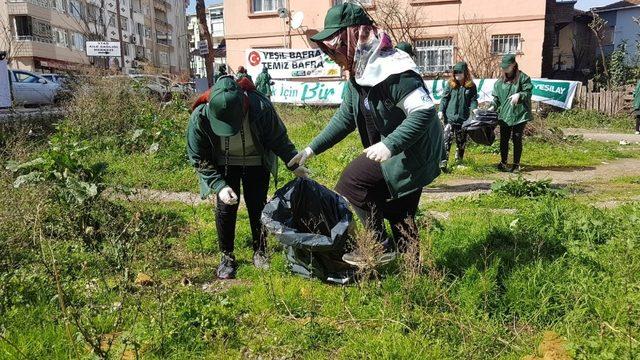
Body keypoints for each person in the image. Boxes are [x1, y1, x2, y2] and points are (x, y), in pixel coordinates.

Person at [287, 3, 443, 266]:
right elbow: (346, 117)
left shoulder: (395, 71)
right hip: (394, 151)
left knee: (352, 183)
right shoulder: (358, 74)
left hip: (413, 151)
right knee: (399, 213)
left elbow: (424, 113)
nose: (329, 54)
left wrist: (389, 145)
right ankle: (411, 276)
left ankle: (378, 245)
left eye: (333, 46)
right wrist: (311, 149)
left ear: (353, 38)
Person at [187, 76, 309, 279]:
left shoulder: (259, 106)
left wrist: (293, 163)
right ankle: (227, 257)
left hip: (256, 161)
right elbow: (198, 156)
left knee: (258, 205)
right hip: (223, 163)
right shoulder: (201, 116)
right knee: (225, 208)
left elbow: (277, 137)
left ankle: (260, 250)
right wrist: (219, 185)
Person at [490, 54, 532, 173]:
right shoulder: (499, 82)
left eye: (507, 67)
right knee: (504, 139)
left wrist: (520, 95)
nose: (504, 69)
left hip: (519, 113)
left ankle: (516, 164)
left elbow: (528, 92)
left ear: (513, 65)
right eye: (503, 67)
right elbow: (496, 98)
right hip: (505, 114)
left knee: (517, 138)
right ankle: (503, 162)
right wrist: (493, 106)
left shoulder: (523, 78)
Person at [438, 61, 478, 169]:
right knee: (446, 140)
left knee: (461, 141)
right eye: (455, 73)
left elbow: (474, 100)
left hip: (463, 118)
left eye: (460, 72)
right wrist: (441, 110)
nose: (457, 75)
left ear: (465, 73)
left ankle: (459, 161)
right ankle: (443, 162)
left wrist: (474, 109)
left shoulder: (471, 86)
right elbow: (444, 98)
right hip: (449, 117)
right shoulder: (450, 84)